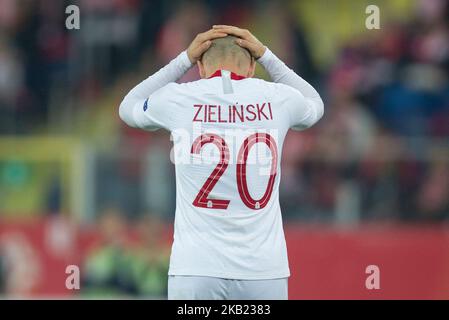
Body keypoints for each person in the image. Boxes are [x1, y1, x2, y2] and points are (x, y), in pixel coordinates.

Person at [119, 25, 324, 300]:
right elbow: (315, 104)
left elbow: (128, 106)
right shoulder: (278, 98)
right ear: (251, 67)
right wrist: (266, 54)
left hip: (195, 268)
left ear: (201, 67)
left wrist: (184, 59)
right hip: (263, 270)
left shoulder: (179, 98)